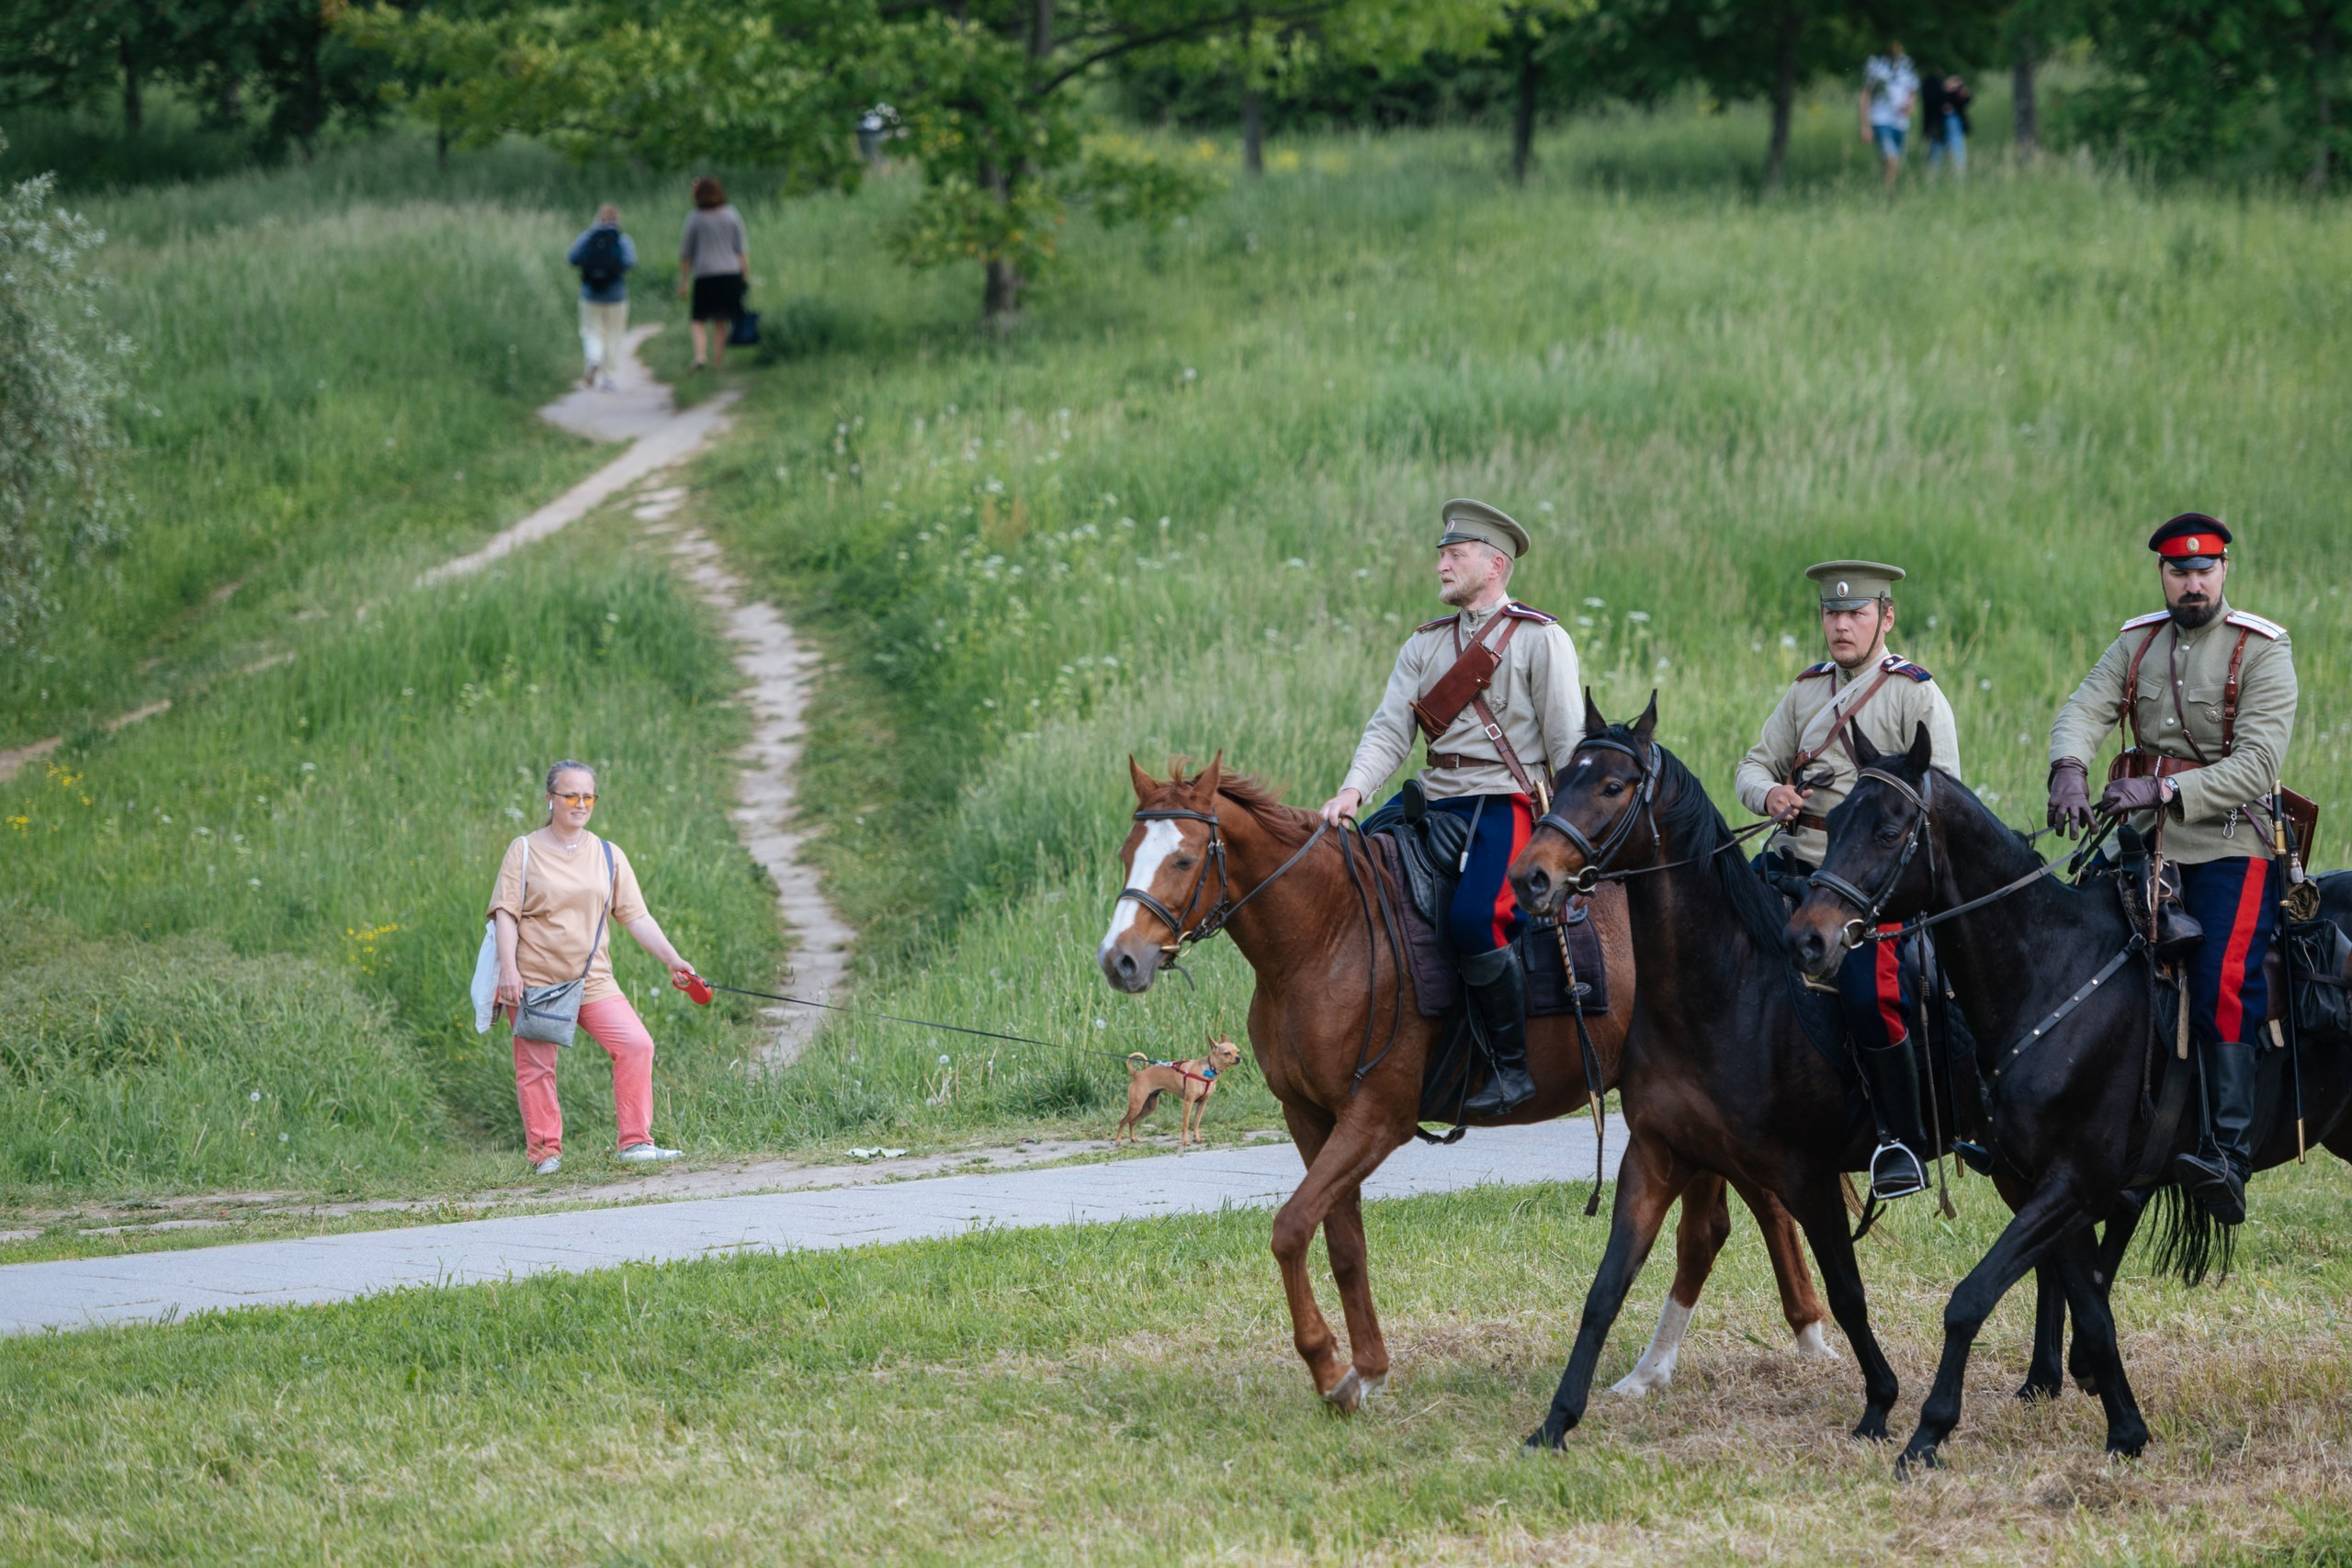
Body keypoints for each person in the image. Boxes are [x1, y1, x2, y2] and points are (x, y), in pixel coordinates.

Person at [2047, 515, 2298, 1225]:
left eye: (2205, 569)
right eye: (2179, 571)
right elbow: (2085, 706)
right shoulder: (2137, 641)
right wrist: (2068, 766)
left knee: (2223, 976)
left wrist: (2162, 789)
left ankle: (2227, 1153)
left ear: (2225, 570)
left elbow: (2259, 764)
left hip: (2229, 844)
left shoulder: (2263, 649)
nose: (2193, 582)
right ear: (2162, 574)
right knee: (2072, 950)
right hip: (2143, 844)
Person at [1318, 499, 1582, 1117]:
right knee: (1346, 875)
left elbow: (1569, 745)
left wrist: (1569, 836)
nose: (1441, 563)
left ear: (1494, 564)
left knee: (1474, 920)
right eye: (1441, 552)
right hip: (1436, 799)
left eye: (1454, 554)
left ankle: (1512, 1068)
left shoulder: (1541, 639)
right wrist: (1354, 789)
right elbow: (1389, 731)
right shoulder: (1425, 645)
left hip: (1507, 803)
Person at [1736, 561, 1962, 1201]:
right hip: (1796, 862)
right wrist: (1769, 792)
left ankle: (1898, 1140)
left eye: (1855, 613)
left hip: (1873, 886)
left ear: (1885, 617)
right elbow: (1754, 763)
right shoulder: (1806, 691)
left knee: (1870, 994)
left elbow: (1941, 798)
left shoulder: (1915, 693)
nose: (1840, 624)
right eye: (1832, 614)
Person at [490, 761, 695, 1173]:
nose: (580, 803)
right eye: (570, 795)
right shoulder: (524, 849)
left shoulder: (607, 854)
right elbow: (505, 915)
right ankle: (546, 1154)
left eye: (588, 796)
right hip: (536, 980)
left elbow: (636, 916)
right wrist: (509, 973)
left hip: (593, 979)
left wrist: (673, 959)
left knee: (636, 1045)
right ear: (550, 799)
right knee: (536, 1067)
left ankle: (635, 1144)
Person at [678, 176, 750, 373]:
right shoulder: (731, 215)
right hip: (730, 272)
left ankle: (701, 355)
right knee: (721, 320)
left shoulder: (695, 218)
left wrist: (683, 282)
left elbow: (686, 254)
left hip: (705, 274)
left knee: (698, 319)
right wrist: (745, 275)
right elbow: (741, 249)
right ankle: (718, 363)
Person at [565, 204, 637, 390]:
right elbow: (630, 262)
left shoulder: (587, 237)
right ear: (617, 219)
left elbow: (572, 258)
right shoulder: (622, 239)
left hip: (590, 294)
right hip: (616, 296)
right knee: (614, 335)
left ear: (598, 218)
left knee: (591, 331)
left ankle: (593, 358)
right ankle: (609, 378)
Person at [1860, 40, 1920, 197]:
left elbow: (1912, 91)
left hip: (1900, 122)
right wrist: (1865, 126)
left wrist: (1909, 105)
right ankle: (1890, 197)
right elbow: (1866, 94)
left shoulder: (1907, 64)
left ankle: (1887, 189)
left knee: (1895, 164)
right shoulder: (1875, 65)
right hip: (1880, 119)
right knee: (1890, 159)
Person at [1928, 73, 1972, 175]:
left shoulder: (1958, 94)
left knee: (1957, 154)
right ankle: (1934, 177)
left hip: (1953, 124)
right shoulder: (1937, 92)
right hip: (1939, 126)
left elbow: (1967, 98)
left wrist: (1956, 91)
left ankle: (1958, 176)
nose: (1953, 85)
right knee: (1936, 155)